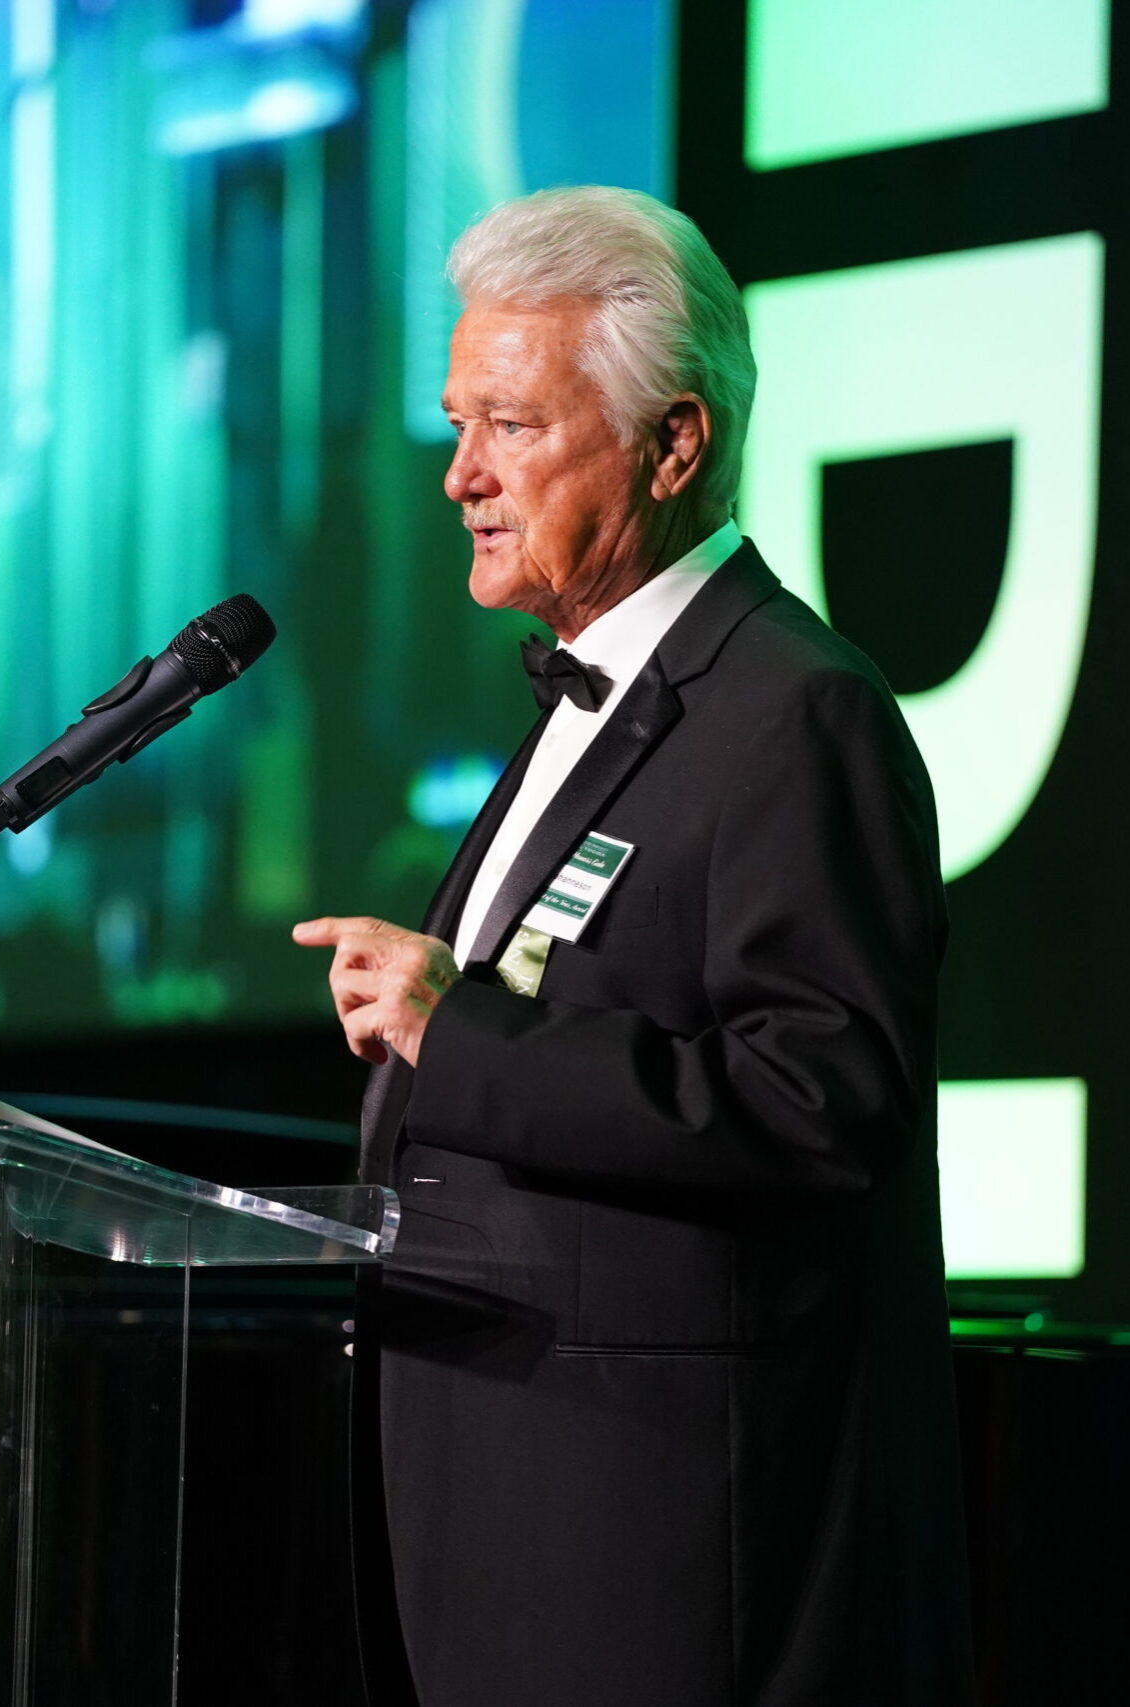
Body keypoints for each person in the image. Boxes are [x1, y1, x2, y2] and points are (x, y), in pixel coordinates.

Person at [294, 186, 974, 1707]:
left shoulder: (796, 712)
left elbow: (822, 1098)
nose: (459, 474)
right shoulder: (584, 697)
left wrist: (452, 1027)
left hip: (655, 1550)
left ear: (672, 443)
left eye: (513, 428)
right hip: (494, 1509)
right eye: (457, 423)